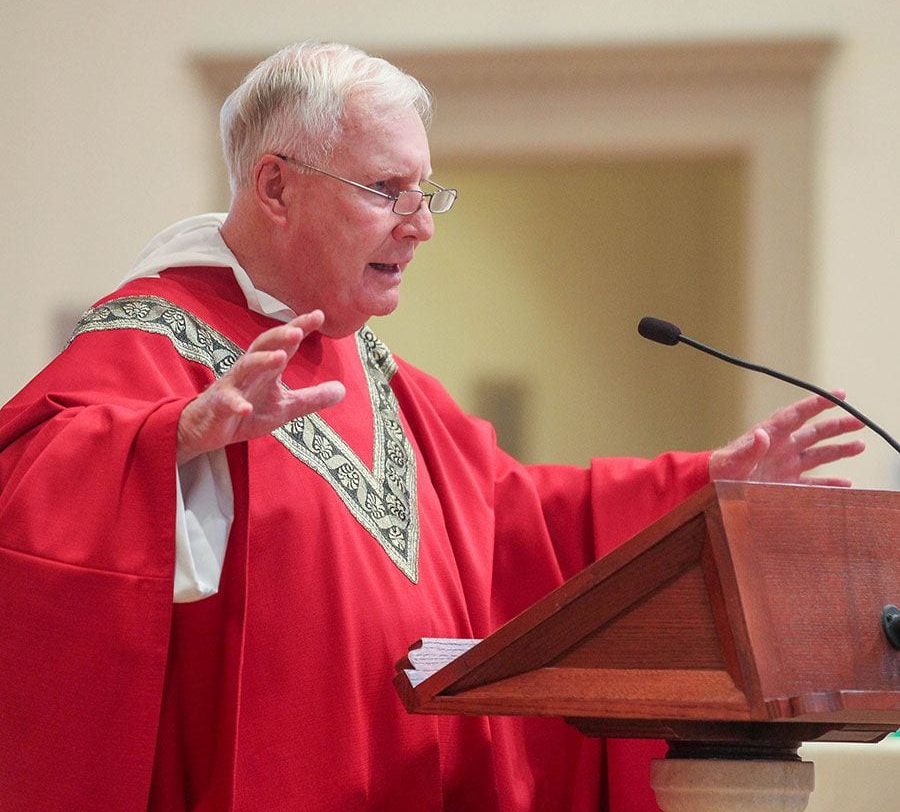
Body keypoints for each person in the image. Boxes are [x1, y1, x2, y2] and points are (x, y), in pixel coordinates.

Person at [0, 42, 865, 812]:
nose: (420, 227)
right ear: (274, 185)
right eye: (385, 191)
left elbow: (522, 517)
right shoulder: (148, 340)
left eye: (425, 193)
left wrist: (696, 487)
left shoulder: (378, 371)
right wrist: (172, 443)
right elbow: (28, 501)